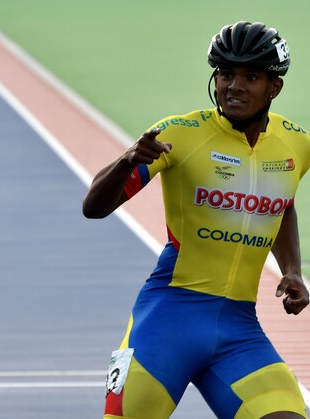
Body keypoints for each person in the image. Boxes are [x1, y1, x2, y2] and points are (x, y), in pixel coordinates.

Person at [83, 21, 310, 418]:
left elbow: (282, 203)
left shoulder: (296, 144)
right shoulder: (181, 134)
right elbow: (94, 207)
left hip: (239, 332)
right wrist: (127, 160)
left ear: (275, 88)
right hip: (166, 324)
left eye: (250, 76)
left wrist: (292, 269)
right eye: (225, 74)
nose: (234, 86)